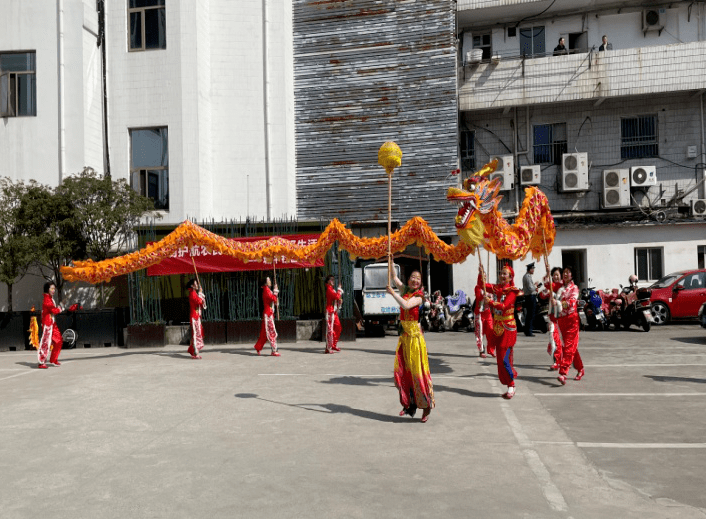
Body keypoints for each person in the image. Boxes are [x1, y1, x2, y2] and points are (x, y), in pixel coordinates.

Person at [387, 270, 434, 422]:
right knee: (403, 372)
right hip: (405, 338)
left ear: (421, 283)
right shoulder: (406, 290)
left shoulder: (419, 297)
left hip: (415, 339)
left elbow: (406, 305)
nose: (415, 280)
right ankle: (409, 405)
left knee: (417, 373)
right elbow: (394, 277)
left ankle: (426, 406)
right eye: (412, 277)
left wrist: (393, 294)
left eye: (418, 278)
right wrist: (391, 260)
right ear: (408, 280)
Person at [484, 264, 520, 399]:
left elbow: (505, 307)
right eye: (501, 273)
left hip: (508, 328)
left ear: (510, 277)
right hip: (498, 326)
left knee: (505, 359)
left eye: (505, 274)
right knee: (499, 360)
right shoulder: (496, 288)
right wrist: (481, 274)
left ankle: (512, 384)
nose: (502, 276)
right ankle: (508, 384)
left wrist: (491, 302)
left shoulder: (512, 291)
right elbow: (482, 285)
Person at [556, 266, 585, 384]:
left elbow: (572, 302)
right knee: (570, 347)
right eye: (564, 272)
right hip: (562, 320)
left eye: (568, 272)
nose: (565, 274)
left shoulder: (574, 288)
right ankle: (580, 368)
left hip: (572, 320)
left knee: (568, 346)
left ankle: (563, 372)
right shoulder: (560, 288)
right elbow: (548, 294)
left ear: (572, 275)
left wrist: (559, 302)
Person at [539, 267, 564, 370]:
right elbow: (542, 294)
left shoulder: (564, 287)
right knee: (553, 337)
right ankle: (556, 361)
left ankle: (564, 359)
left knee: (564, 341)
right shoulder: (551, 286)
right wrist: (547, 273)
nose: (556, 276)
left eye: (557, 274)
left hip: (563, 317)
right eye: (554, 275)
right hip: (552, 317)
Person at [37, 281, 64, 369]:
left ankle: (53, 359)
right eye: (52, 288)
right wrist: (60, 308)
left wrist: (59, 307)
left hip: (52, 323)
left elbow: (54, 310)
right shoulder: (47, 299)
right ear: (47, 289)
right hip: (47, 324)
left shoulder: (50, 298)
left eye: (54, 288)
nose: (53, 290)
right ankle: (41, 362)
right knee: (46, 342)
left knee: (59, 340)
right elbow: (54, 311)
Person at [254, 276, 280, 356]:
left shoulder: (267, 290)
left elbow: (274, 300)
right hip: (268, 314)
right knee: (272, 331)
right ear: (265, 282)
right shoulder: (266, 290)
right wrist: (275, 292)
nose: (270, 281)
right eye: (268, 280)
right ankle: (274, 350)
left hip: (269, 313)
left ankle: (258, 347)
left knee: (265, 333)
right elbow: (272, 298)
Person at [474, 267, 495, 358]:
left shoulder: (488, 286)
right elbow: (478, 298)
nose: (484, 279)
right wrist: (484, 295)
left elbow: (494, 295)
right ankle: (481, 350)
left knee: (490, 330)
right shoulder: (477, 287)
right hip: (479, 313)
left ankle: (491, 349)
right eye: (482, 277)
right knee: (480, 332)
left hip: (488, 313)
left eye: (485, 277)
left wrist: (490, 297)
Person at [186, 279, 206, 359]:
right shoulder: (192, 294)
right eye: (196, 283)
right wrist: (200, 293)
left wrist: (200, 293)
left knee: (198, 334)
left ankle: (194, 351)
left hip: (197, 317)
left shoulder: (194, 293)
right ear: (192, 286)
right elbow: (199, 301)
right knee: (195, 335)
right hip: (194, 317)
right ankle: (195, 352)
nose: (197, 285)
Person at [324, 275, 344, 354]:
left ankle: (333, 344)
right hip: (330, 311)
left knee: (338, 327)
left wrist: (339, 300)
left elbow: (336, 298)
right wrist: (339, 289)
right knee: (330, 330)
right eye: (331, 280)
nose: (333, 281)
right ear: (328, 281)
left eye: (333, 279)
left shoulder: (331, 289)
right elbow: (336, 296)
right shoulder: (329, 289)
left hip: (333, 311)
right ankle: (328, 347)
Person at [522, 262, 538, 337]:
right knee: (530, 314)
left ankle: (527, 330)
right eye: (532, 269)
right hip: (530, 296)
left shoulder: (527, 276)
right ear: (530, 269)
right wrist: (536, 286)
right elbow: (531, 288)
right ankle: (529, 331)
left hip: (530, 296)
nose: (533, 270)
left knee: (529, 314)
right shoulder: (527, 277)